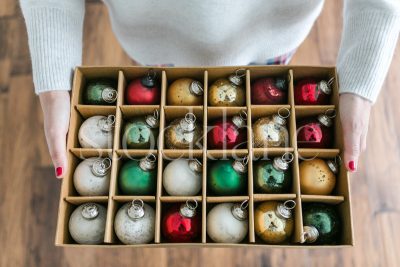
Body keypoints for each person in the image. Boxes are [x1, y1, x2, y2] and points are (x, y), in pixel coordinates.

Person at [20, 0, 400, 178]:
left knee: (268, 79)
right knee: (151, 82)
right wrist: (54, 81)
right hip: (153, 47)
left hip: (271, 42)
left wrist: (361, 77)